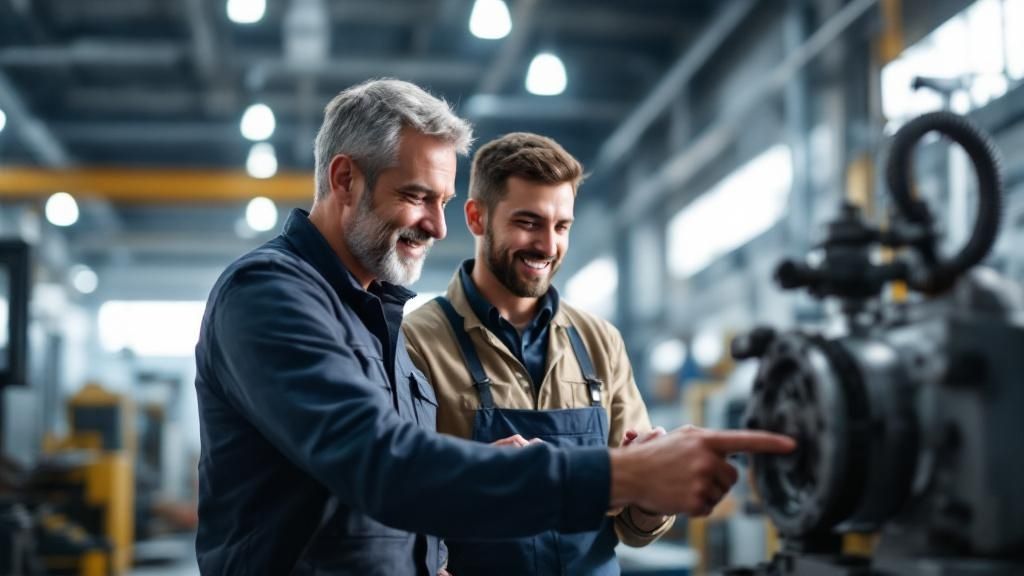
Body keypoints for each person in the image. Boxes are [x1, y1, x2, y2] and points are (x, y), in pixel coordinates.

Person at [193, 78, 795, 576]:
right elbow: (383, 466)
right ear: (345, 179)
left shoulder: (375, 313)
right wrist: (626, 472)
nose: (435, 225)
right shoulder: (271, 295)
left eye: (443, 202)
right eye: (416, 196)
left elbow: (388, 514)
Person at [403, 132, 672, 575]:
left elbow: (634, 527)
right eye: (528, 222)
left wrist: (653, 493)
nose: (548, 246)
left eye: (561, 226)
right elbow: (397, 507)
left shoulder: (599, 342)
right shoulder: (417, 344)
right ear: (476, 217)